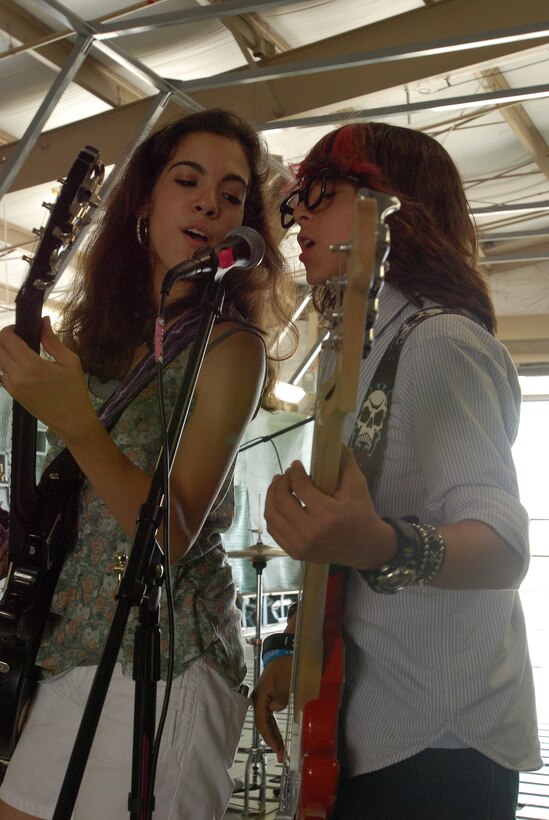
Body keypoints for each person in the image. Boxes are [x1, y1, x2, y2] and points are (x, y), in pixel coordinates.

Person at [0, 108, 296, 820]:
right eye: (187, 180)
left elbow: (172, 531)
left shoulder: (232, 348)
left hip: (165, 661)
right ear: (143, 203)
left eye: (231, 195)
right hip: (78, 644)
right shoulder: (101, 335)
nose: (208, 203)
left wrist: (73, 419)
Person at [252, 121, 542, 819]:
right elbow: (344, 552)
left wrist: (379, 544)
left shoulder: (439, 341)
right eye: (296, 203)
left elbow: (503, 548)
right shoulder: (361, 351)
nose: (297, 221)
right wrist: (298, 650)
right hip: (370, 716)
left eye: (319, 197)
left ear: (389, 208)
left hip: (439, 740)